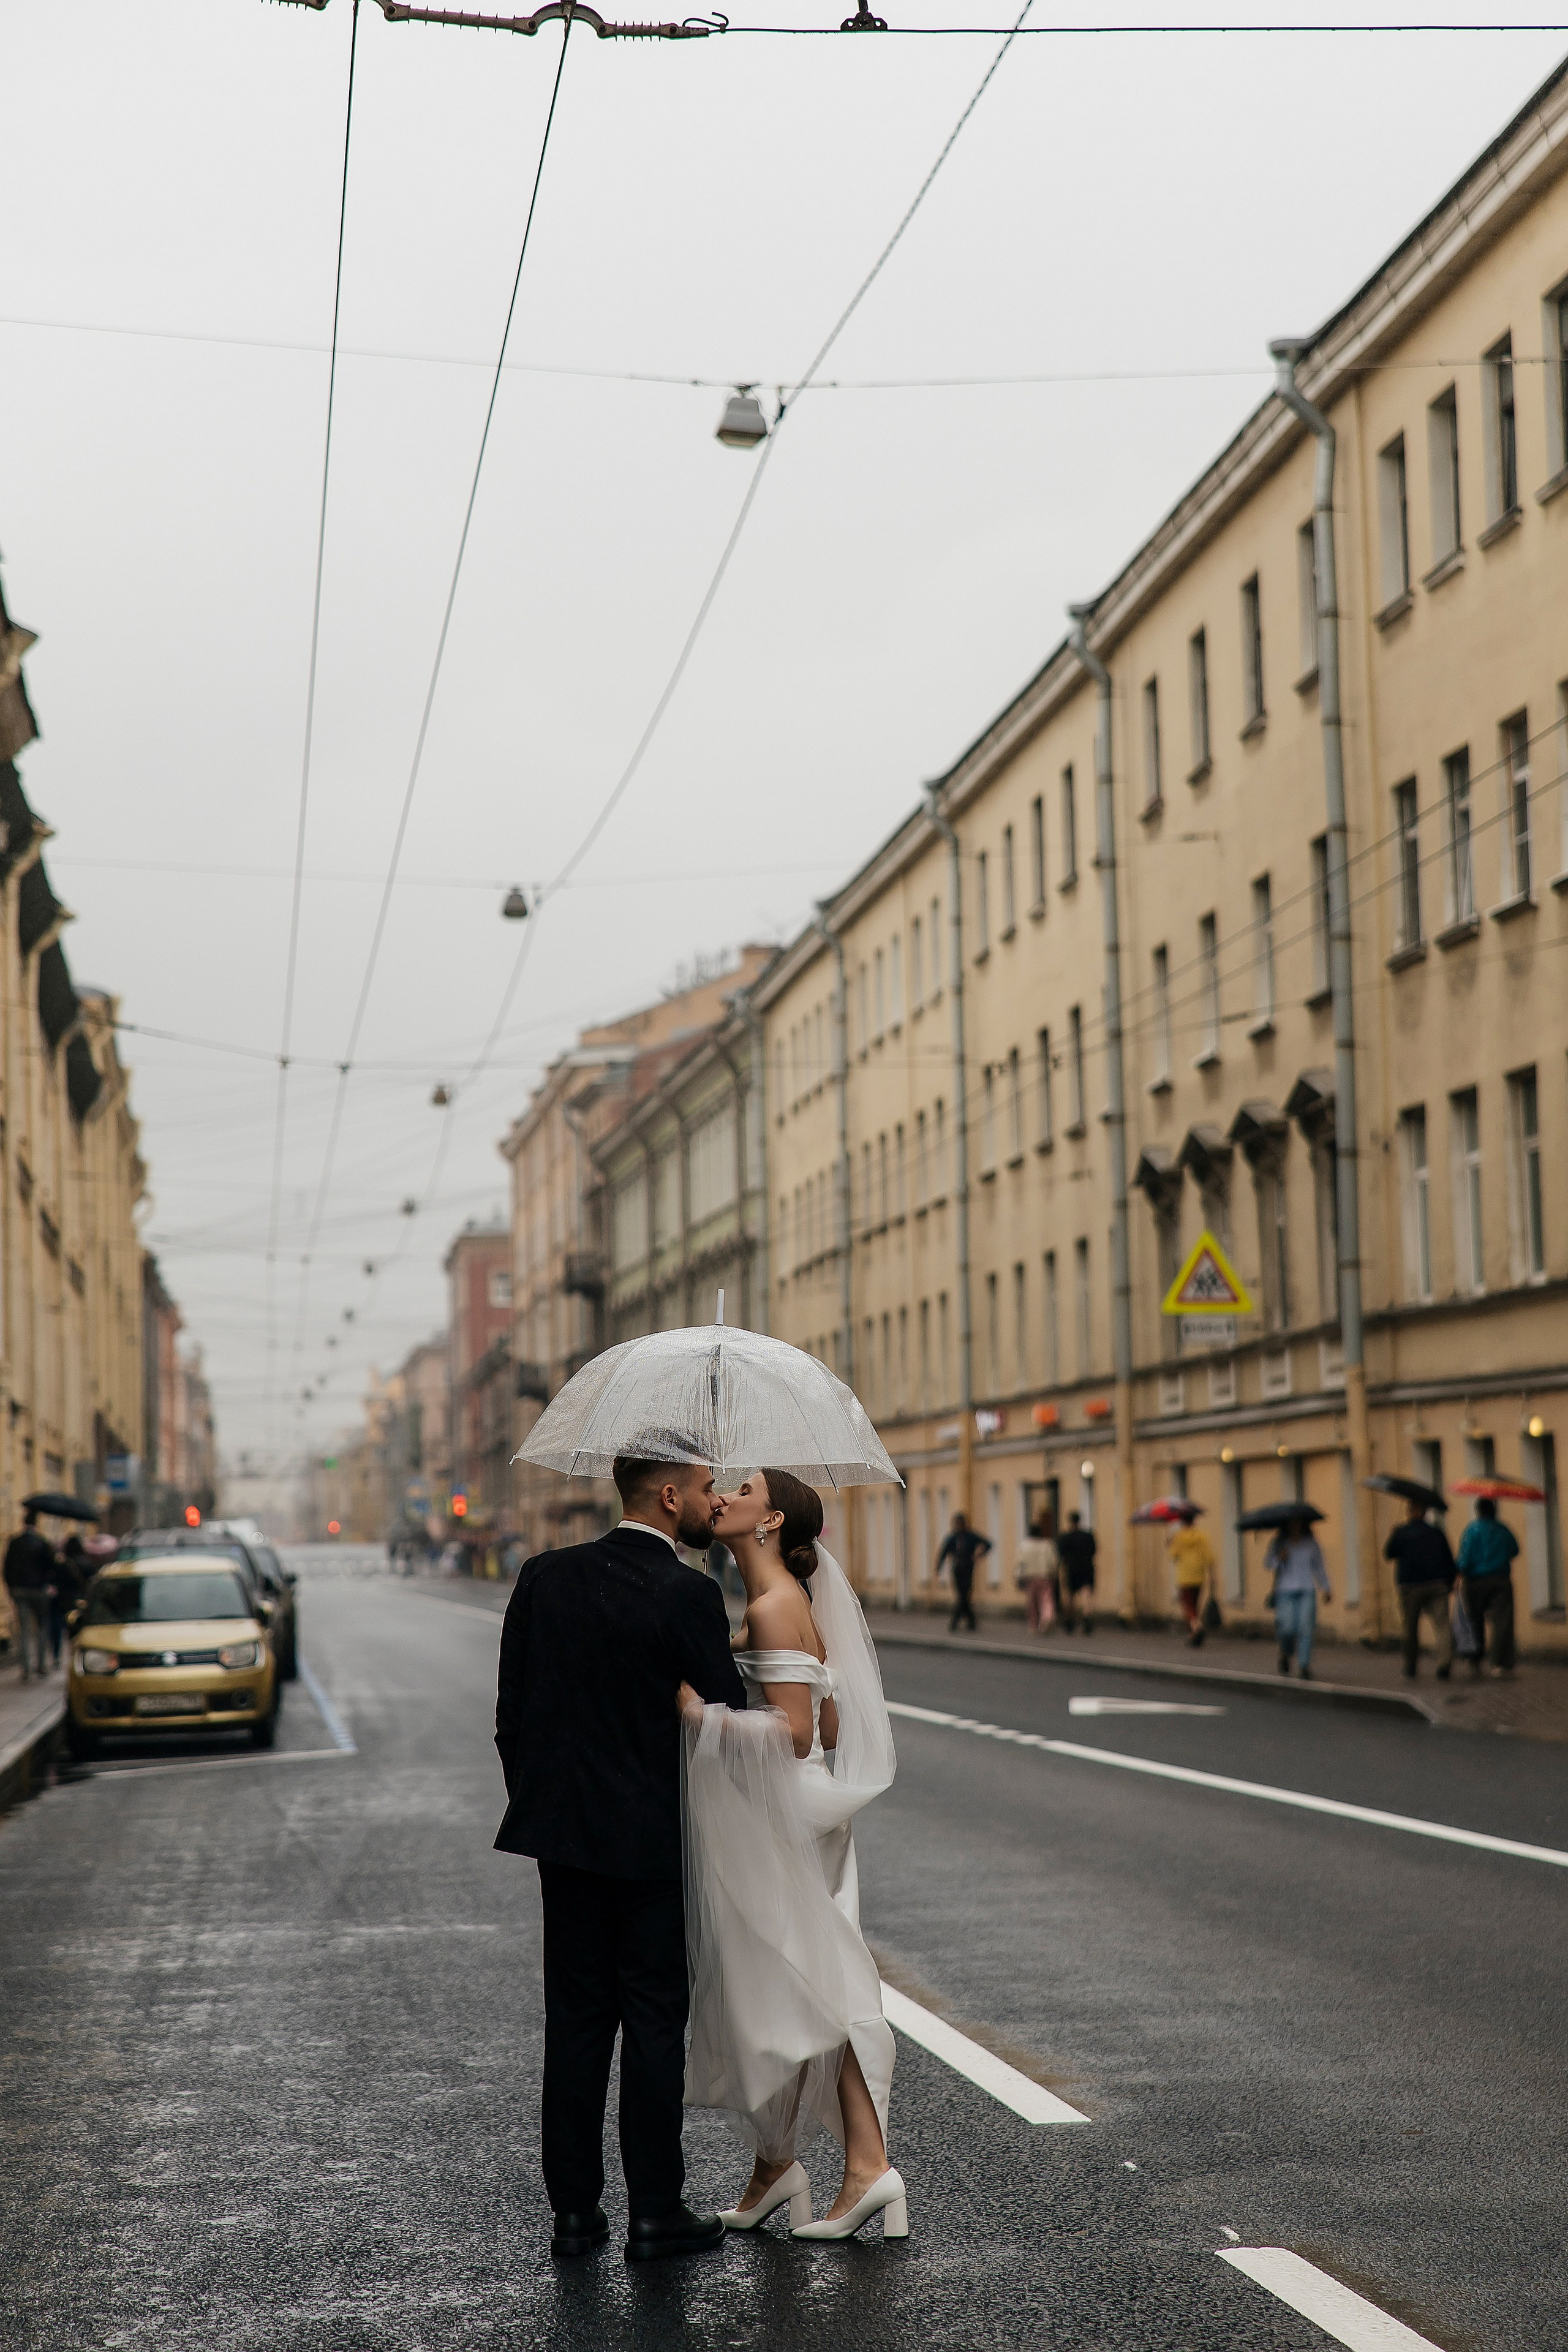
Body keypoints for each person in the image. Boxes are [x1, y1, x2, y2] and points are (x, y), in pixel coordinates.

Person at [493, 1451, 747, 2264]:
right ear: (669, 1497)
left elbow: (511, 1716)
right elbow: (729, 1720)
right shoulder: (688, 1592)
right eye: (709, 1488)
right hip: (652, 1847)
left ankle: (574, 2216)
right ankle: (655, 2213)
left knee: (573, 2024)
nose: (715, 1500)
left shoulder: (543, 1576)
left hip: (562, 1841)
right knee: (651, 2024)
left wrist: (551, 1808)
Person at [688, 1468, 905, 2245]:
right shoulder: (783, 1604)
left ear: (770, 1519)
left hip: (788, 1822)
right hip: (801, 1814)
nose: (718, 1496)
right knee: (789, 1986)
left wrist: (701, 1715)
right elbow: (836, 1725)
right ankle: (776, 2166)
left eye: (736, 1489)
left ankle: (868, 2165)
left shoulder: (777, 1605)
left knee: (809, 1985)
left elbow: (801, 1735)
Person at [1383, 1500, 1457, 1679]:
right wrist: (1450, 1582)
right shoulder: (1436, 1532)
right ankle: (1444, 1664)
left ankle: (1411, 1665)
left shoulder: (1401, 1533)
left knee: (1410, 1627)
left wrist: (1393, 1535)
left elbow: (1389, 1554)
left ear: (1411, 1512)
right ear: (1424, 1513)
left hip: (1410, 1587)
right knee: (1442, 1625)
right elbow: (1448, 1557)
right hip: (1437, 1584)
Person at [1455, 1496, 1518, 1677]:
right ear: (1494, 1510)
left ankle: (1475, 1658)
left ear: (1478, 1510)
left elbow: (1464, 1558)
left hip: (1475, 1582)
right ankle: (1499, 1663)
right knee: (1502, 1621)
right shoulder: (1503, 1529)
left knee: (1475, 1620)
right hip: (1500, 1580)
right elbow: (1515, 1550)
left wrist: (1460, 1571)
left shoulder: (1472, 1530)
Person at [1265, 1513, 1331, 1678]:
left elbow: (1319, 1567)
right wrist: (1279, 1558)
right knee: (1286, 1629)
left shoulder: (1311, 1544)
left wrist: (1326, 1588)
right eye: (1292, 1523)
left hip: (1307, 1590)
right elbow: (1268, 1564)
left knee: (1306, 1628)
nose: (1295, 1526)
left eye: (1298, 1523)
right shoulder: (1279, 1543)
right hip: (1285, 1591)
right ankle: (1286, 1654)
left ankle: (1304, 1665)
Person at [3, 1510, 58, 1681]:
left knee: (24, 1630)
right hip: (38, 1589)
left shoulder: (15, 1542)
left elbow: (6, 1567)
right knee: (42, 1626)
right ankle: (41, 1665)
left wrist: (11, 1587)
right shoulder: (42, 1543)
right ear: (36, 1523)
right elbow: (51, 1567)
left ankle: (26, 1668)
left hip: (19, 1590)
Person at [935, 1512, 990, 1633]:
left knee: (964, 1595)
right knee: (962, 1596)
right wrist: (939, 1567)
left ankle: (955, 1622)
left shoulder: (971, 1537)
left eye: (960, 1523)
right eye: (957, 1523)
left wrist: (979, 1555)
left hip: (968, 1568)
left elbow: (988, 1544)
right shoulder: (953, 1538)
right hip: (957, 1569)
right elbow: (944, 1552)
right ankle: (971, 1621)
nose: (959, 1526)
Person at [1167, 1515, 1215, 1646]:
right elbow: (1209, 1556)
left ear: (1183, 1522)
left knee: (1188, 1606)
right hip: (1199, 1575)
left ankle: (1197, 1628)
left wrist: (1169, 1544)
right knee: (1195, 1604)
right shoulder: (1202, 1536)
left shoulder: (1179, 1537)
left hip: (1185, 1576)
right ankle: (1193, 1635)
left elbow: (1173, 1555)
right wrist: (1212, 1576)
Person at [1014, 1516, 1060, 1634]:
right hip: (1045, 1576)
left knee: (1032, 1602)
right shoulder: (1047, 1545)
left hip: (1029, 1577)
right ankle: (1047, 1619)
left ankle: (1033, 1625)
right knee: (1047, 1599)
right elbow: (1053, 1561)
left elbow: (1019, 1562)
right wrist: (1054, 1573)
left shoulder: (1024, 1545)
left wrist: (1017, 1576)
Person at [1056, 1512, 1097, 1633]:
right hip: (1086, 1567)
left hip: (1072, 1568)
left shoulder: (1066, 1537)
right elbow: (1093, 1551)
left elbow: (1061, 1554)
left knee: (1070, 1596)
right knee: (1086, 1593)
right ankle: (1087, 1615)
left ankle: (1070, 1620)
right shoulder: (1088, 1536)